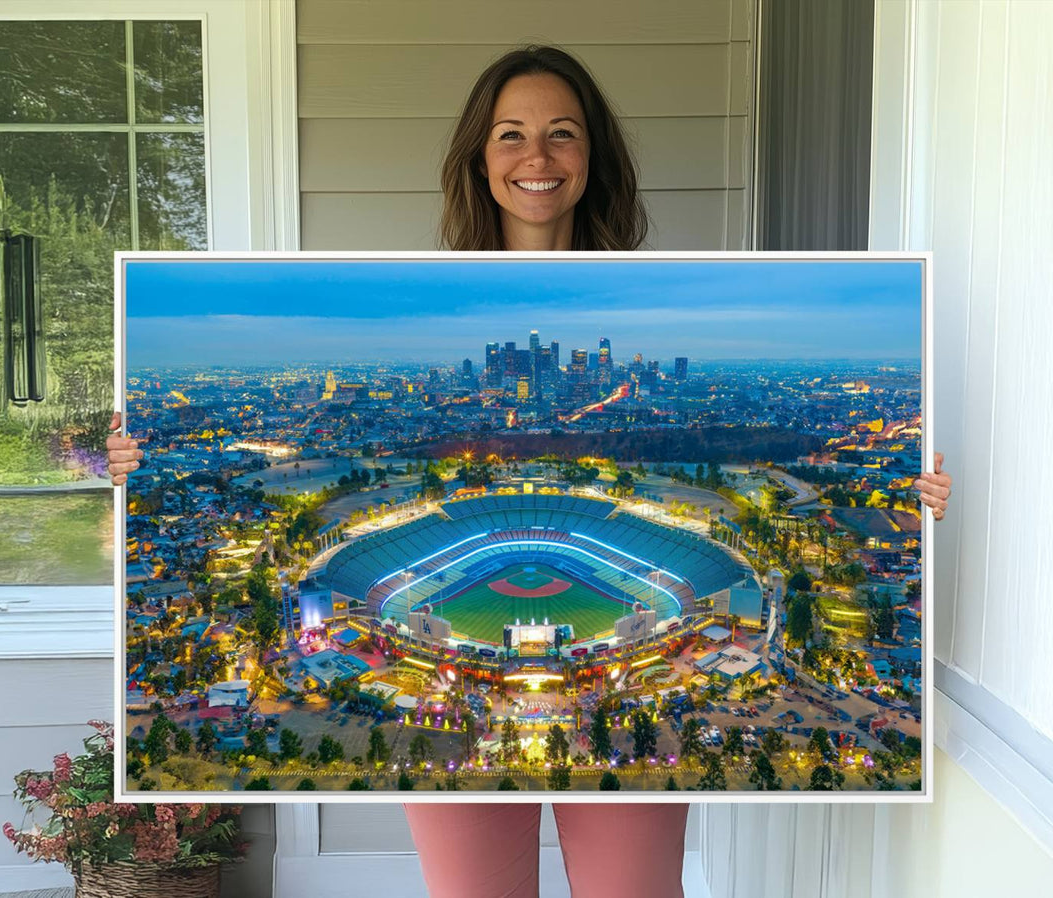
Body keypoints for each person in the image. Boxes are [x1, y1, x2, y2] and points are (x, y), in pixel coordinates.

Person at [107, 44, 952, 898]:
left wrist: (911, 501)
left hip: (612, 717)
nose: (536, 157)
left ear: (593, 159)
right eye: (511, 134)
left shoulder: (639, 312)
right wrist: (132, 467)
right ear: (480, 157)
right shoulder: (442, 322)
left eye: (562, 134)